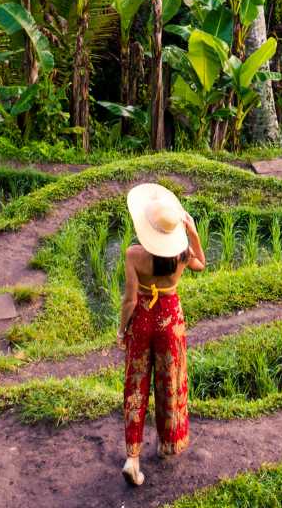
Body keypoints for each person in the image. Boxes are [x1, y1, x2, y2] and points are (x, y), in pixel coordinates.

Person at [116, 182, 205, 486]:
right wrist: (192, 232)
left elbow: (129, 300)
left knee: (136, 386)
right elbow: (201, 264)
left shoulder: (133, 255)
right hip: (170, 320)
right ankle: (168, 444)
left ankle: (133, 457)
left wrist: (121, 329)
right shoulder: (181, 253)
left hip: (142, 319)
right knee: (170, 381)